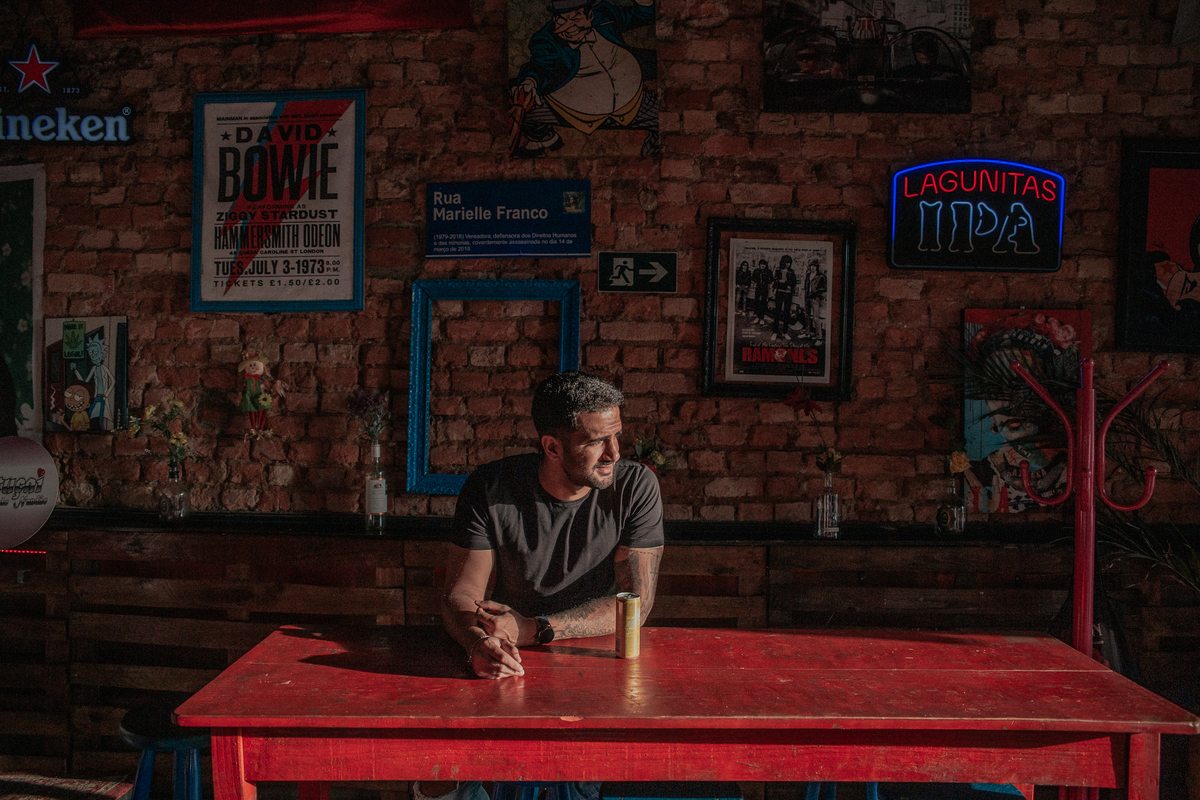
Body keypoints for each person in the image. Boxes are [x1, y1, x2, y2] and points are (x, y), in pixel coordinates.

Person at [423, 371, 664, 800]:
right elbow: (460, 594)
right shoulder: (491, 486)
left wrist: (535, 627)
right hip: (508, 664)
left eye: (617, 436)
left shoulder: (635, 487)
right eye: (595, 441)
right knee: (436, 778)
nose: (614, 453)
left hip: (595, 667)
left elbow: (635, 606)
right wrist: (477, 643)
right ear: (552, 447)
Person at [509, 0, 659, 158]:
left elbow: (643, 16)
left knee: (662, 120)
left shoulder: (606, 14)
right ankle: (543, 138)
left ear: (591, 15)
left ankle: (651, 155)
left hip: (632, 101)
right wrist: (530, 82)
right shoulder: (546, 38)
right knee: (518, 104)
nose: (569, 27)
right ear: (554, 19)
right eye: (562, 19)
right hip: (576, 109)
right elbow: (540, 65)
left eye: (576, 18)